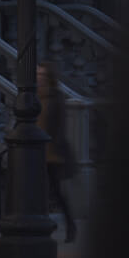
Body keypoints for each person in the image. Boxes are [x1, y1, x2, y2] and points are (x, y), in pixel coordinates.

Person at [36, 61, 77, 243]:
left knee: (57, 194)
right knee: (38, 193)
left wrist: (56, 151)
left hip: (52, 153)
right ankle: (42, 227)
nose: (39, 78)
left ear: (50, 78)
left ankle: (70, 225)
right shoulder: (34, 96)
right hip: (35, 153)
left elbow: (59, 127)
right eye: (38, 75)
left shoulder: (56, 97)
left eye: (43, 75)